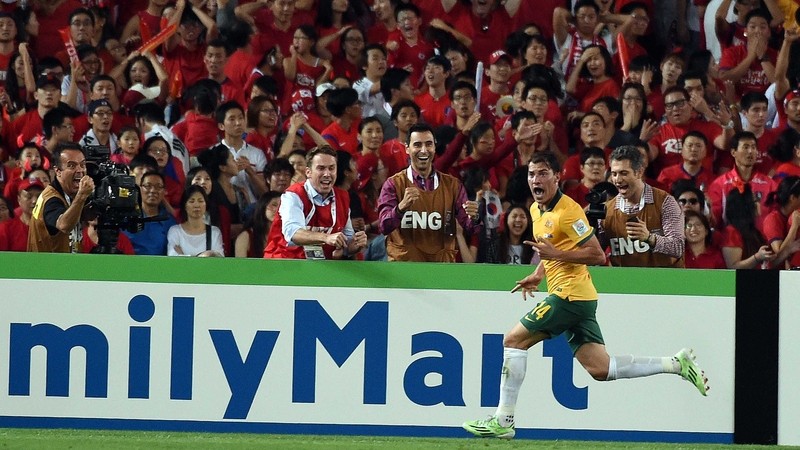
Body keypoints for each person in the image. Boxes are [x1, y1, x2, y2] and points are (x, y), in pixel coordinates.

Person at [462, 151, 709, 440]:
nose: (536, 179)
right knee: (601, 369)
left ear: (557, 177)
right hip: (575, 296)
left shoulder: (569, 211)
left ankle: (503, 420)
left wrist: (556, 255)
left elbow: (596, 254)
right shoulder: (536, 210)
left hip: (570, 296)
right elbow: (554, 248)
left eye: (543, 173)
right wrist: (539, 273)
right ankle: (676, 364)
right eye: (531, 174)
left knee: (513, 340)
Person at [377, 123, 481, 262]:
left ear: (434, 147)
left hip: (441, 269)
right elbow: (384, 227)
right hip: (404, 269)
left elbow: (471, 229)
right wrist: (401, 208)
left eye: (428, 144)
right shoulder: (393, 185)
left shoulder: (453, 186)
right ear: (407, 148)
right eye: (417, 145)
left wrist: (474, 218)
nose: (424, 150)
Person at [263, 145, 367, 259]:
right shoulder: (293, 195)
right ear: (308, 172)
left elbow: (346, 241)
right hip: (284, 261)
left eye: (331, 168)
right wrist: (326, 237)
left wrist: (354, 245)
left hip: (319, 264)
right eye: (321, 168)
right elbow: (293, 233)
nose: (327, 174)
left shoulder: (343, 197)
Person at [602, 145, 686, 267]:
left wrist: (650, 238)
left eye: (624, 173)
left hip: (665, 278)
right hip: (624, 278)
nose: (618, 180)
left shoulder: (665, 202)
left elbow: (678, 247)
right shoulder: (606, 210)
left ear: (639, 172)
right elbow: (596, 252)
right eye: (614, 174)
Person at [27, 143, 94, 253]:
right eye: (72, 166)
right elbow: (64, 225)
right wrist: (82, 196)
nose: (79, 170)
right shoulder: (51, 199)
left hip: (67, 261)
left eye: (82, 165)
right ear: (58, 171)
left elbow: (76, 215)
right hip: (48, 263)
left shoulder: (70, 193)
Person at [122, 171, 178, 255]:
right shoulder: (126, 216)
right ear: (140, 189)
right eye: (148, 186)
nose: (153, 191)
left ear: (164, 191)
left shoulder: (169, 221)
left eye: (158, 187)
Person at [167, 185, 224, 256]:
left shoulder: (214, 232)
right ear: (185, 205)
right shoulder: (175, 231)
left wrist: (183, 255)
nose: (196, 205)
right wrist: (205, 255)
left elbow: (218, 259)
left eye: (200, 201)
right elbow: (173, 258)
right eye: (192, 201)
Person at [0, 179, 44, 251]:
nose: (35, 201)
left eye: (39, 196)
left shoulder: (51, 227)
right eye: (29, 197)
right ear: (19, 199)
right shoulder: (7, 228)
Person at [235, 192, 281, 258]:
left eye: (282, 206)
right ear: (262, 207)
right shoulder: (246, 236)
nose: (278, 209)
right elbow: (239, 263)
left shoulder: (288, 236)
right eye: (274, 205)